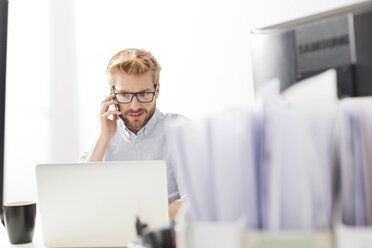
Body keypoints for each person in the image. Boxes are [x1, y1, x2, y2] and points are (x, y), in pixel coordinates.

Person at [80, 48, 183, 220]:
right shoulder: (103, 132)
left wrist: (143, 223)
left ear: (156, 91)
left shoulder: (180, 131)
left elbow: (193, 200)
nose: (135, 106)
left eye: (144, 94)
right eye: (125, 95)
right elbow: (80, 196)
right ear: (112, 94)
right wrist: (103, 138)